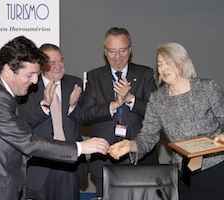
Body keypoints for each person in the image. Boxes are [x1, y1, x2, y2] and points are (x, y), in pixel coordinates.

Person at [0, 36, 109, 200]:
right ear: (8, 70)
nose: (35, 81)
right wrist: (80, 148)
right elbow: (27, 141)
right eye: (30, 75)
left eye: (36, 75)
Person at [108, 42, 224, 200]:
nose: (163, 68)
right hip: (183, 173)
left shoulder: (207, 88)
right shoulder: (157, 99)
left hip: (216, 167)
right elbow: (148, 136)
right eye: (160, 64)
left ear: (182, 63)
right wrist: (130, 145)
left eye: (168, 63)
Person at [78, 27, 157, 197]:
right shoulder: (94, 77)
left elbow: (157, 113)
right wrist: (113, 105)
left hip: (139, 157)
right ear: (105, 52)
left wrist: (130, 99)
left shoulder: (145, 74)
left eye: (122, 51)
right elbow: (84, 115)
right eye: (112, 51)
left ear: (130, 50)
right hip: (105, 159)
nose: (117, 57)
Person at [17, 43, 85, 200]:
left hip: (69, 165)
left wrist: (73, 106)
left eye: (60, 61)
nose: (58, 66)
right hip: (40, 166)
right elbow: (22, 123)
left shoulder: (75, 84)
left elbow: (86, 117)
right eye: (52, 62)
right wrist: (44, 105)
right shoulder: (28, 87)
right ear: (41, 65)